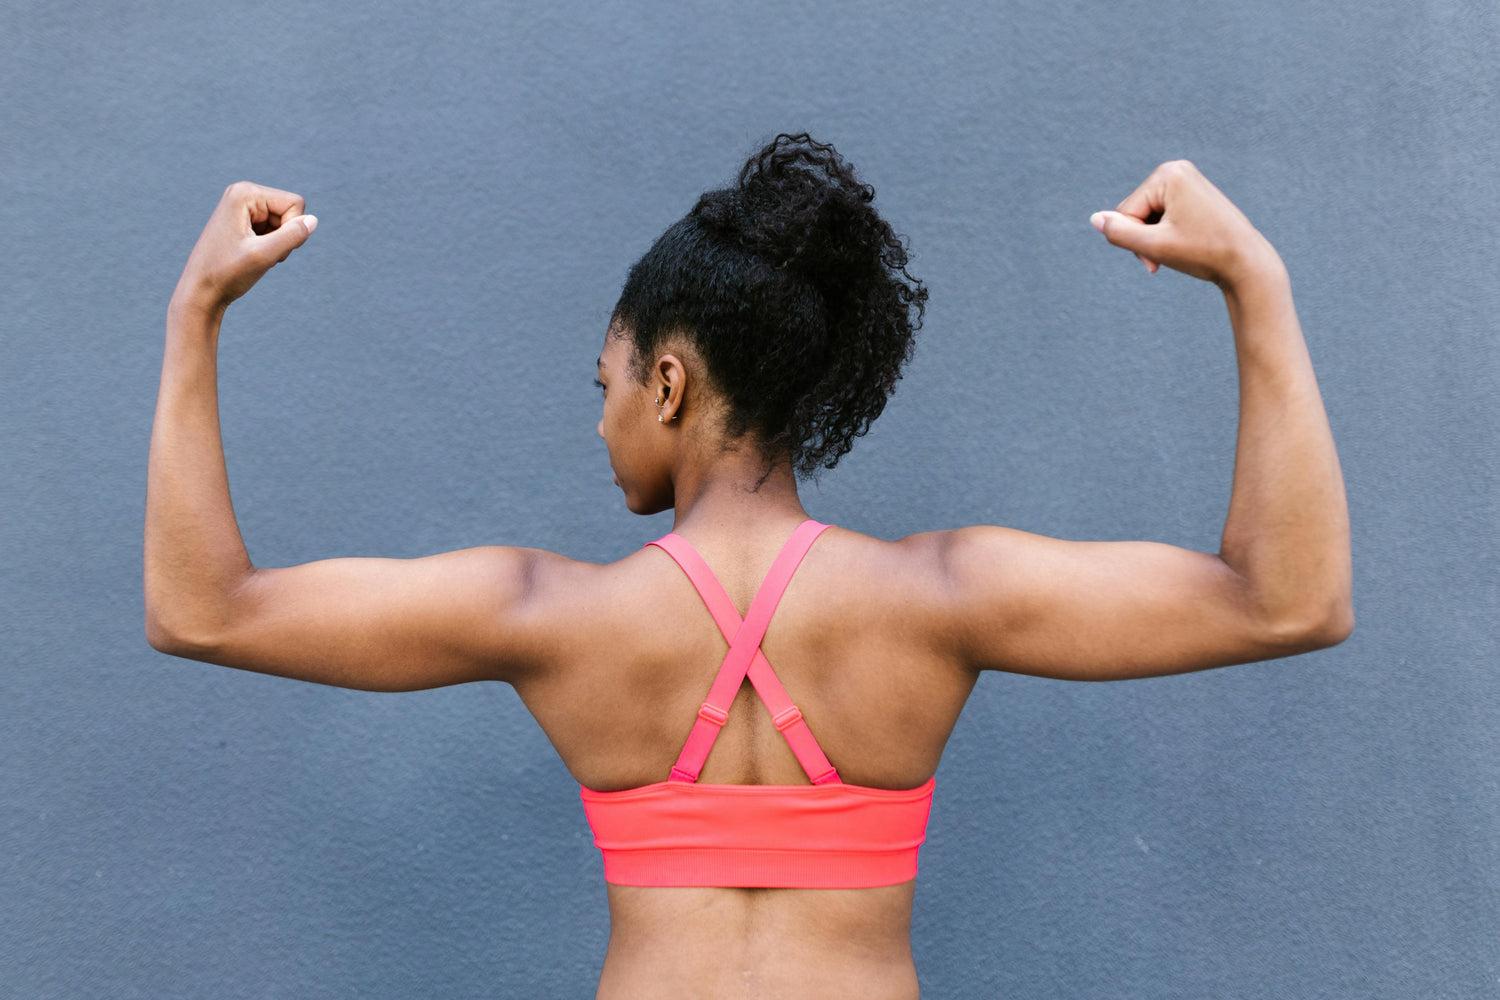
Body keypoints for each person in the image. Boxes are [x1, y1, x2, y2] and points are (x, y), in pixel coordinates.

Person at [145, 134, 1352, 999]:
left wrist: (195, 310)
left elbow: (202, 611)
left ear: (668, 381)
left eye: (605, 385)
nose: (599, 417)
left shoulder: (548, 617)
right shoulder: (939, 600)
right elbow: (1287, 599)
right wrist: (1257, 282)